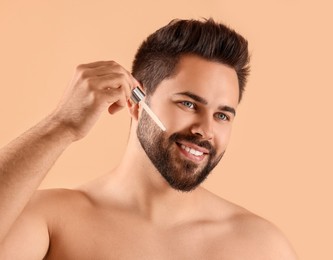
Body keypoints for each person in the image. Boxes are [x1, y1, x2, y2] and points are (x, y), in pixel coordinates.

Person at [0, 19, 297, 259]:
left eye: (222, 115)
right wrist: (62, 125)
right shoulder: (54, 221)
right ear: (135, 101)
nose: (205, 130)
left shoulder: (262, 247)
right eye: (189, 104)